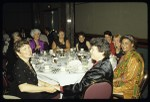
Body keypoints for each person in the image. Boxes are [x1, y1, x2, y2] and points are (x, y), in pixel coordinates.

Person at [113, 34, 144, 99]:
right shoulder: (125, 56)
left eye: (126, 43)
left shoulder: (134, 58)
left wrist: (114, 80)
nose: (123, 45)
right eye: (122, 43)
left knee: (105, 88)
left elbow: (127, 77)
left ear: (132, 44)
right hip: (122, 81)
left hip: (130, 88)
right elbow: (117, 71)